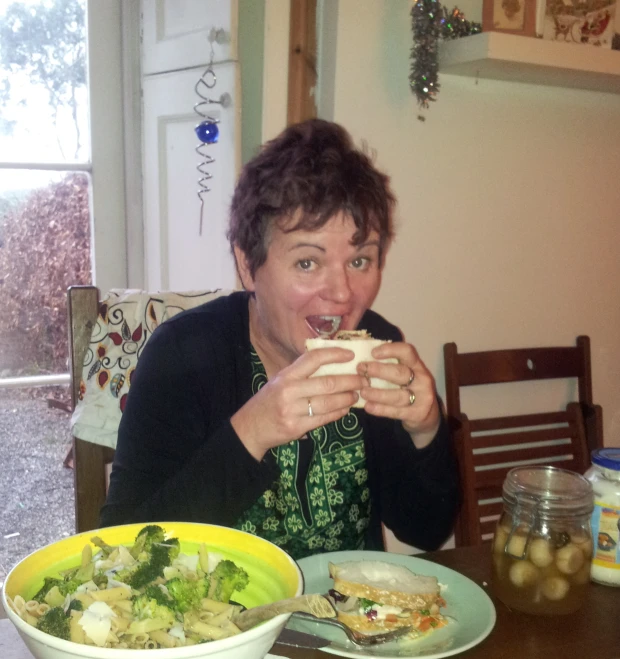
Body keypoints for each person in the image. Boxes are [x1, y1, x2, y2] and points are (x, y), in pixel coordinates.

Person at [101, 119, 459, 559]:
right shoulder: (182, 355)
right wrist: (251, 432)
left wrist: (426, 430)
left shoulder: (378, 344)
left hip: (352, 620)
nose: (343, 293)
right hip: (226, 625)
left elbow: (426, 530)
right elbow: (123, 553)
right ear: (248, 265)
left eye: (361, 260)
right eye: (308, 263)